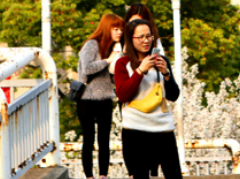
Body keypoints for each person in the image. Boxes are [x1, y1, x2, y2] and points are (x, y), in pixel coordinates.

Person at [114, 19, 181, 179]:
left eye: (149, 36)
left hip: (163, 128)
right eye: (140, 37)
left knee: (174, 175)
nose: (146, 40)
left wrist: (166, 73)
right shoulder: (123, 63)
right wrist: (140, 71)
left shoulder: (161, 61)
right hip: (135, 130)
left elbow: (173, 95)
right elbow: (123, 95)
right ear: (131, 39)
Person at [77, 14, 124, 179]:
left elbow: (110, 75)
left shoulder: (113, 48)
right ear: (106, 28)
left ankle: (103, 175)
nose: (119, 32)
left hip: (105, 98)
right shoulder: (92, 45)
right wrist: (108, 60)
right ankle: (89, 176)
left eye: (121, 29)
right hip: (86, 99)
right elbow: (87, 68)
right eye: (115, 28)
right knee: (88, 139)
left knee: (104, 140)